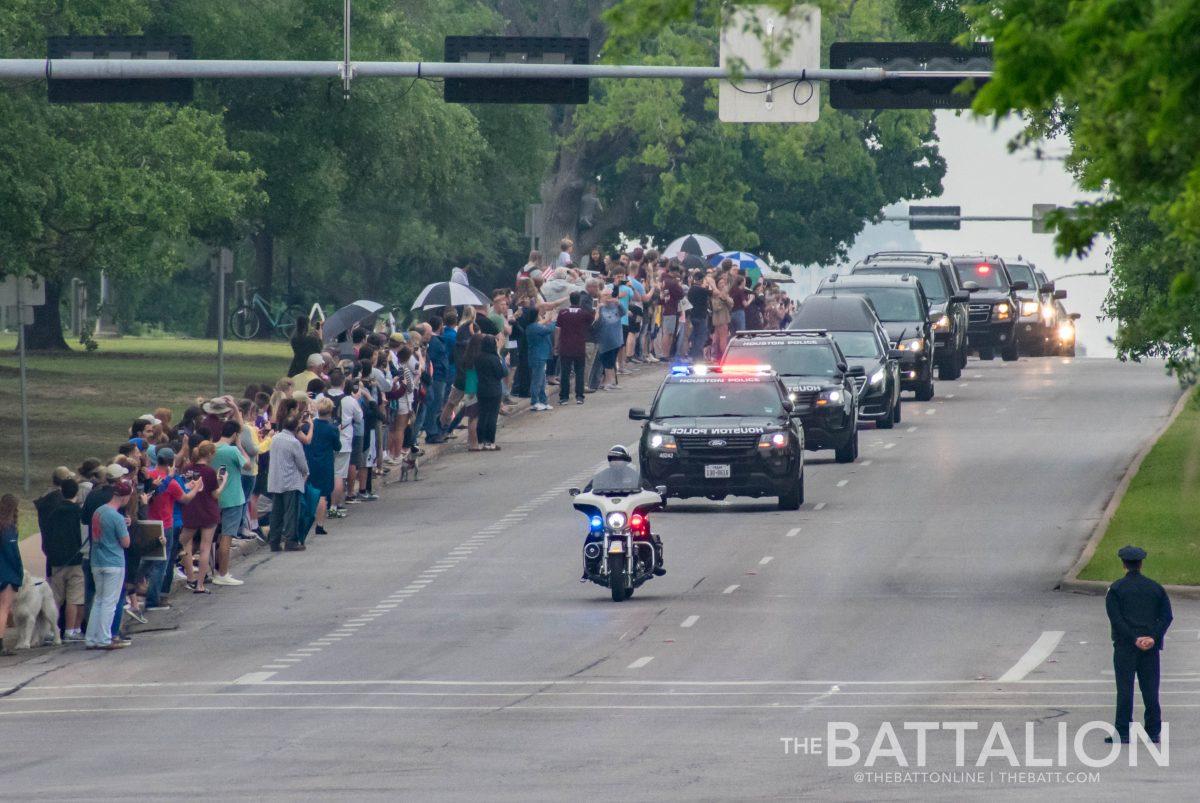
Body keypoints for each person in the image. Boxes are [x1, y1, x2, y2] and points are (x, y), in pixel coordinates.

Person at [1105, 545, 1173, 744]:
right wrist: (1152, 637)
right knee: (1151, 689)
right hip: (1150, 648)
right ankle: (1153, 731)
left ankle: (1123, 731)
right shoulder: (1155, 588)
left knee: (1125, 689)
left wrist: (1133, 638)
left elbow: (1116, 619)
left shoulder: (1116, 589)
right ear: (1141, 564)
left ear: (1123, 564)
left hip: (1126, 647)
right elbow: (1166, 616)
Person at [581, 446, 665, 578]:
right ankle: (589, 565)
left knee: (643, 528)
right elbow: (588, 491)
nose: (617, 462)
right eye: (613, 459)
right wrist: (583, 496)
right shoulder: (602, 476)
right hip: (609, 516)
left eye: (620, 459)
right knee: (593, 532)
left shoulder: (635, 477)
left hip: (630, 515)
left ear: (626, 461)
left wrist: (655, 496)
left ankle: (653, 563)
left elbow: (649, 490)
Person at [84, 480, 133, 650]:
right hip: (114, 562)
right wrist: (126, 527)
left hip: (97, 561)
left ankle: (91, 638)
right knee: (109, 602)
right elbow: (126, 542)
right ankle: (105, 638)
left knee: (98, 600)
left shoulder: (99, 512)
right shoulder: (117, 517)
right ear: (125, 497)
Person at [39, 479, 87, 640]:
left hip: (56, 562)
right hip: (76, 561)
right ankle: (71, 630)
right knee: (75, 598)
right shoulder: (79, 513)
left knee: (55, 598)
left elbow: (47, 537)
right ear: (77, 493)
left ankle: (51, 631)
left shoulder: (53, 513)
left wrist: (51, 555)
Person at [177, 442, 223, 595]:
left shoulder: (186, 469)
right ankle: (200, 584)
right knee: (205, 547)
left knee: (184, 544)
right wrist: (223, 482)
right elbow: (215, 494)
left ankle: (189, 575)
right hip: (208, 510)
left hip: (190, 509)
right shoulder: (209, 471)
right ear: (209, 454)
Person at [211, 420, 249, 586]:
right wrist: (240, 446)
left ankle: (212, 569)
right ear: (235, 435)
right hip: (233, 496)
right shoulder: (232, 450)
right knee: (227, 536)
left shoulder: (211, 448)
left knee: (211, 537)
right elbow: (247, 464)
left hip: (214, 496)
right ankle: (223, 573)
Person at [268, 411, 310, 551]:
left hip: (275, 479)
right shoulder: (294, 442)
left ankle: (274, 541)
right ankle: (290, 540)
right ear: (296, 428)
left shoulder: (275, 438)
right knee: (291, 512)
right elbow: (302, 463)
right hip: (291, 481)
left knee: (276, 512)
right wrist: (305, 473)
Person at [556, 291, 593, 406]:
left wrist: (556, 344)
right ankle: (579, 396)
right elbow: (592, 321)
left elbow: (558, 330)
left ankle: (564, 397)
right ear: (579, 300)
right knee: (579, 372)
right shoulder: (584, 313)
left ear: (570, 300)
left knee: (565, 372)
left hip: (565, 346)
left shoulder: (563, 313)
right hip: (579, 346)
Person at [474, 335, 507, 451]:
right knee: (492, 416)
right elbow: (502, 373)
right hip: (494, 389)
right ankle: (490, 442)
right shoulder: (494, 358)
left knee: (482, 415)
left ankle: (480, 442)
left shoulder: (478, 357)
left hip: (481, 389)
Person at [0, 495, 23, 654]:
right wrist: (19, 573)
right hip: (6, 572)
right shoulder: (8, 529)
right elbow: (12, 554)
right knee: (4, 608)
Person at [525, 309, 557, 411]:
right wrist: (553, 320)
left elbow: (544, 326)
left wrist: (548, 319)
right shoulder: (534, 327)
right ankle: (535, 402)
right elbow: (549, 329)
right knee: (537, 381)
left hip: (541, 356)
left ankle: (543, 401)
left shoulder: (534, 326)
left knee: (542, 381)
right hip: (537, 356)